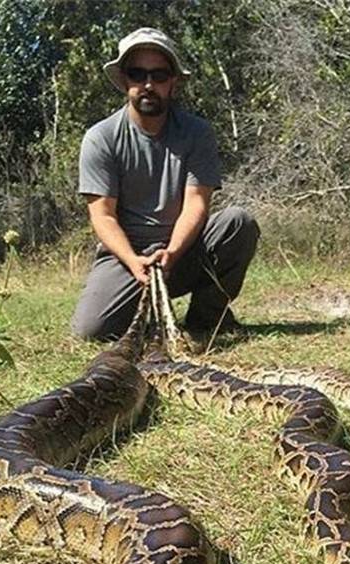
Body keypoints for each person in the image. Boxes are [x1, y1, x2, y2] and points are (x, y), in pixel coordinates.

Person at [72, 27, 259, 342]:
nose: (148, 84)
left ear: (173, 81)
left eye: (159, 75)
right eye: (138, 74)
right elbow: (102, 216)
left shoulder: (198, 133)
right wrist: (133, 261)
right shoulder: (101, 138)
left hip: (182, 250)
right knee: (91, 331)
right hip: (127, 255)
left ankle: (206, 320)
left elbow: (197, 204)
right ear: (124, 80)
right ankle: (144, 313)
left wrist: (172, 252)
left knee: (239, 223)